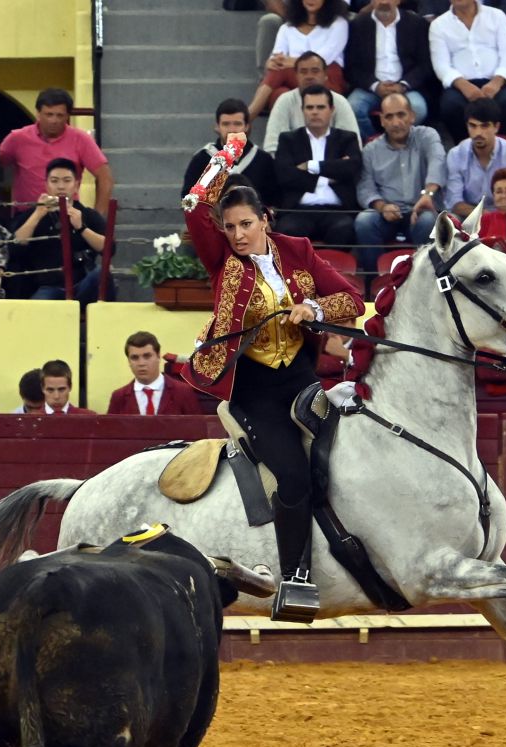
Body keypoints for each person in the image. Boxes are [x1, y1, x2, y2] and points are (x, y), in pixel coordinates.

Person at [181, 131, 364, 618]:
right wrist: (226, 157)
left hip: (302, 381)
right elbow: (194, 206)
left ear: (266, 220)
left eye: (246, 224)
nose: (238, 234)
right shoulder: (221, 259)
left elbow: (353, 299)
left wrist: (312, 306)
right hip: (255, 392)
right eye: (230, 226)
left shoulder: (297, 250)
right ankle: (297, 578)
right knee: (293, 473)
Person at [354, 92, 446, 274]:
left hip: (421, 210)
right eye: (389, 116)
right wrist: (382, 206)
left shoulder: (427, 136)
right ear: (382, 120)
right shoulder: (371, 150)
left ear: (412, 116)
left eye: (401, 115)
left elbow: (438, 161)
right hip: (387, 214)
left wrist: (428, 195)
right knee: (364, 221)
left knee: (428, 219)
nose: (396, 122)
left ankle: (426, 279)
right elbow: (365, 187)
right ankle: (375, 282)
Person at [13, 157, 115, 304]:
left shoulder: (88, 215)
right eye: (54, 181)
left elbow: (109, 249)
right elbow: (14, 246)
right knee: (36, 309)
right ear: (46, 185)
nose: (61, 186)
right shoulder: (33, 214)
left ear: (76, 185)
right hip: (48, 287)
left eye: (67, 181)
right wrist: (37, 214)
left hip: (83, 285)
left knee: (101, 273)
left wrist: (82, 228)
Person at [0, 88, 114, 216]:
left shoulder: (81, 139)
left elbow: (105, 178)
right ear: (38, 113)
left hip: (67, 213)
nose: (54, 120)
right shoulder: (17, 139)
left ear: (68, 116)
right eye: (49, 114)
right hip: (26, 215)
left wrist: (98, 218)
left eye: (60, 115)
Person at [274, 85, 361, 247]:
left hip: (337, 211)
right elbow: (284, 175)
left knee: (344, 230)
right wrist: (329, 176)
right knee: (288, 231)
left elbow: (352, 167)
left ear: (331, 109)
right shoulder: (289, 139)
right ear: (303, 110)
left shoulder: (347, 138)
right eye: (310, 107)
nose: (315, 112)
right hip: (298, 211)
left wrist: (311, 165)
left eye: (320, 107)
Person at [428, 0, 506, 142]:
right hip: (460, 84)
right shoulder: (438, 25)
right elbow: (441, 66)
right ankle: (464, 148)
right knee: (450, 106)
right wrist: (465, 87)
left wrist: (496, 83)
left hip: (495, 81)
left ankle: (500, 146)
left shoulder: (497, 16)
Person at [247, 0, 350, 120]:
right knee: (279, 94)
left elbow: (325, 58)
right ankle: (292, 134)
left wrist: (290, 62)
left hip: (327, 77)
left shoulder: (338, 24)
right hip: (294, 79)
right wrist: (271, 62)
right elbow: (276, 58)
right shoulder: (287, 27)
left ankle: (246, 119)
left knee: (280, 71)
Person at [344, 0, 433, 140]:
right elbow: (351, 67)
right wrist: (375, 86)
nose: (384, 2)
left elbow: (425, 65)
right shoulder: (357, 25)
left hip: (406, 87)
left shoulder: (416, 24)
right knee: (352, 107)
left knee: (418, 108)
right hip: (370, 87)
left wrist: (403, 85)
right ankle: (377, 144)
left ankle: (401, 143)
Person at [445, 98, 506, 218]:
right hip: (469, 218)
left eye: (484, 126)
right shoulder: (456, 155)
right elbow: (454, 202)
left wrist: (497, 219)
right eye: (473, 126)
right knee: (450, 219)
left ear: (496, 127)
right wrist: (486, 216)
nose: (478, 133)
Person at [181, 98, 278, 207]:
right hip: (211, 221)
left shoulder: (263, 160)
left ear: (247, 126)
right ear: (217, 127)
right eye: (226, 124)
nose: (232, 129)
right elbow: (187, 200)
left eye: (237, 124)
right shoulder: (202, 158)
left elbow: (274, 200)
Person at [263, 51, 360, 156]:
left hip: (332, 168)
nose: (309, 76)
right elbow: (272, 147)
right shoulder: (284, 101)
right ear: (296, 76)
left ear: (325, 75)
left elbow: (353, 148)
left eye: (315, 71)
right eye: (303, 72)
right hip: (293, 167)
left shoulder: (340, 102)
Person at [107, 331, 203, 414]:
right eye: (135, 358)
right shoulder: (119, 397)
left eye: (147, 356)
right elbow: (110, 433)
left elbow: (198, 431)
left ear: (158, 356)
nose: (141, 363)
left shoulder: (183, 392)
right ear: (128, 361)